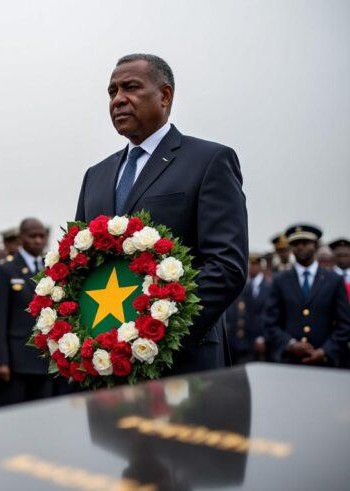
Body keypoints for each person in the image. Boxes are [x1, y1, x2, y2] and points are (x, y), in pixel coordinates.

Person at [74, 53, 247, 374]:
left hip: (184, 359)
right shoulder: (95, 176)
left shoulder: (208, 160)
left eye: (131, 88)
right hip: (106, 364)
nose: (118, 100)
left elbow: (226, 266)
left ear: (165, 96)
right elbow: (81, 267)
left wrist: (157, 331)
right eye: (112, 92)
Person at [0, 218, 59, 406]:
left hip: (44, 361)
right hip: (16, 362)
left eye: (41, 236)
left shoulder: (52, 269)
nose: (37, 240)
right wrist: (0, 361)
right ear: (20, 238)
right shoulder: (5, 270)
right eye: (32, 236)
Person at [264, 224, 350, 367]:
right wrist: (290, 344)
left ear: (315, 245)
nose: (301, 247)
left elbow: (344, 325)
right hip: (290, 361)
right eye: (296, 243)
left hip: (325, 362)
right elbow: (270, 323)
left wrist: (324, 351)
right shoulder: (280, 280)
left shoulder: (333, 280)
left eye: (305, 242)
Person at [225, 254, 271, 364]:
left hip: (256, 338)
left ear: (260, 266)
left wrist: (262, 337)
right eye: (250, 265)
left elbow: (267, 314)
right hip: (240, 339)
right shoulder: (245, 285)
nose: (251, 267)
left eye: (255, 265)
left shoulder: (269, 287)